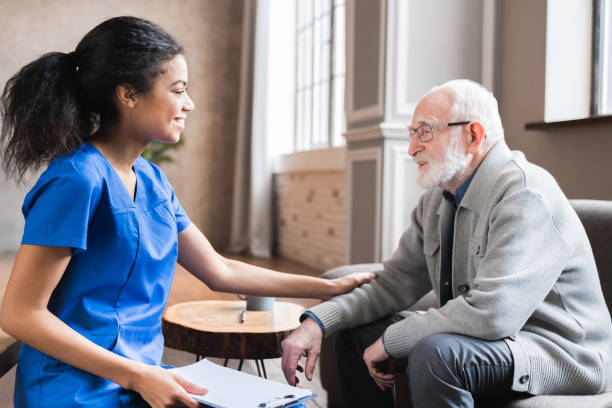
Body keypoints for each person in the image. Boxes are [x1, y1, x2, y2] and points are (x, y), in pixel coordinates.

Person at [0, 16, 374, 408]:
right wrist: (139, 375)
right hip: (75, 388)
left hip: (141, 378)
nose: (189, 104)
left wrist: (327, 288)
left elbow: (220, 270)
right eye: (178, 90)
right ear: (128, 94)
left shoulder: (152, 178)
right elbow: (21, 314)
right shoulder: (76, 180)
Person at [280, 79, 612, 408]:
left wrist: (394, 340)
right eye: (412, 134)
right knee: (357, 332)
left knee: (436, 352)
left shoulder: (524, 194)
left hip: (559, 354)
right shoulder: (437, 200)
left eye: (425, 131)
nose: (411, 149)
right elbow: (392, 284)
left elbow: (494, 314)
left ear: (473, 136)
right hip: (495, 344)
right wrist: (319, 321)